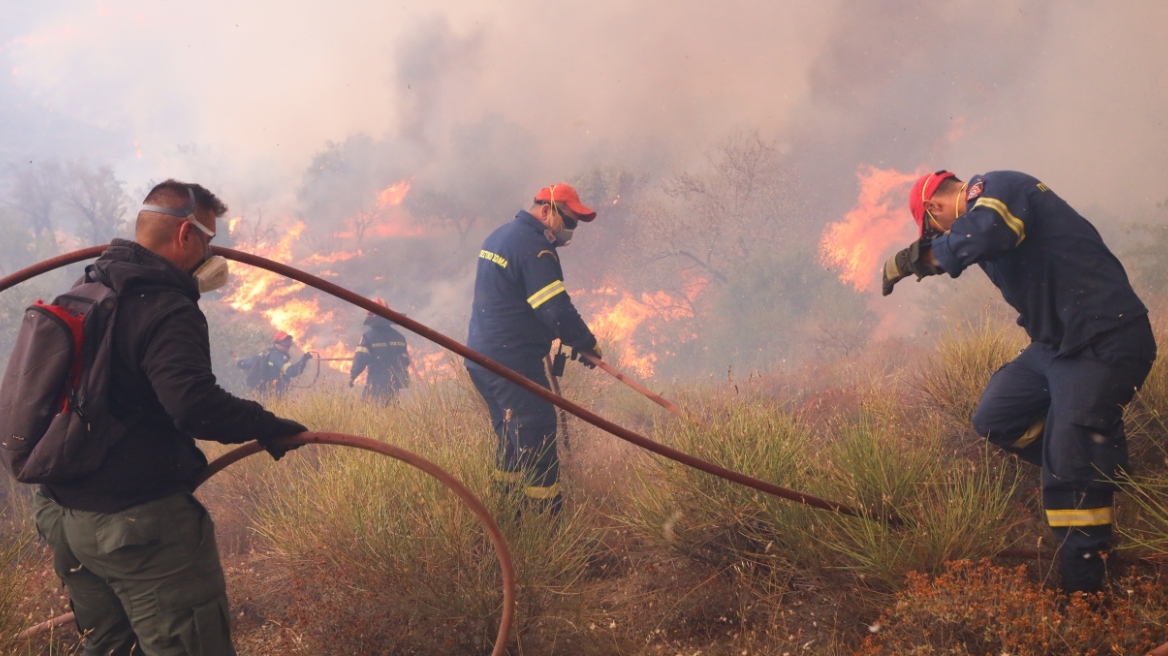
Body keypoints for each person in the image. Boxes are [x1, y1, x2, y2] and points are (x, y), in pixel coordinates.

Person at [32, 179, 308, 655]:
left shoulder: (90, 286)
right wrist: (267, 425)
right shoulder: (166, 305)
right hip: (138, 527)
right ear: (185, 235)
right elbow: (194, 404)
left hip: (65, 517)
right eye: (208, 240)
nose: (211, 253)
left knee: (109, 647)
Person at [882, 170, 1157, 593]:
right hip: (1055, 346)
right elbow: (973, 242)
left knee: (1068, 476)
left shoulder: (998, 189)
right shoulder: (980, 220)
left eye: (934, 230)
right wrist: (930, 257)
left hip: (1105, 340)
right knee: (997, 416)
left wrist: (915, 259)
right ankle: (1098, 463)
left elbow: (986, 233)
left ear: (935, 208)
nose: (939, 237)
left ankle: (1087, 597)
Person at [465, 183, 602, 513]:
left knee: (512, 439)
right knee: (538, 435)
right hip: (512, 362)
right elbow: (554, 306)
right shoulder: (535, 247)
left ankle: (507, 519)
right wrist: (586, 343)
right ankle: (547, 530)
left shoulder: (500, 236)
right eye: (569, 221)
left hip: (482, 358)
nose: (571, 230)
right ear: (546, 210)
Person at [349, 298, 410, 402]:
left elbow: (360, 359)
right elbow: (405, 361)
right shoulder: (400, 337)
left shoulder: (368, 337)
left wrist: (353, 376)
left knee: (369, 410)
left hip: (376, 380)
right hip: (394, 382)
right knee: (391, 410)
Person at [237, 331, 312, 396]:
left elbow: (244, 364)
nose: (288, 345)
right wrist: (304, 359)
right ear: (277, 343)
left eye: (289, 342)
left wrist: (240, 362)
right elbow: (292, 371)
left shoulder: (265, 354)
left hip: (261, 393)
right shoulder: (278, 357)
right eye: (285, 342)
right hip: (274, 395)